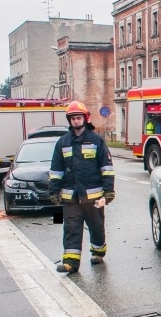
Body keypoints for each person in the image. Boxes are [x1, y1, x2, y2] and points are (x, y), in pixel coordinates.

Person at [49, 101, 115, 273]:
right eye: (73, 118)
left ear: (85, 119)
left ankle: (98, 252)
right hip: (71, 196)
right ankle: (71, 262)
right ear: (69, 121)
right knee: (71, 227)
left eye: (78, 118)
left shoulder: (96, 140)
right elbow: (56, 170)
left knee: (96, 226)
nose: (76, 121)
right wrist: (54, 190)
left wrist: (108, 192)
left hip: (93, 197)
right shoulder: (62, 142)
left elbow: (106, 168)